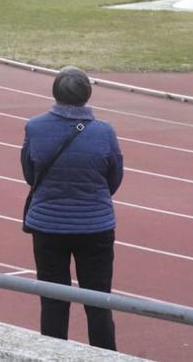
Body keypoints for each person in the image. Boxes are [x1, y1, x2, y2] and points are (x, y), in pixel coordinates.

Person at [22, 66, 123, 351]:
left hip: (48, 226)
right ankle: (105, 357)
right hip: (95, 227)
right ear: (87, 96)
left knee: (53, 300)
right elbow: (114, 177)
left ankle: (53, 356)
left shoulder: (35, 127)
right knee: (99, 302)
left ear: (55, 93)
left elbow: (30, 173)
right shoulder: (104, 132)